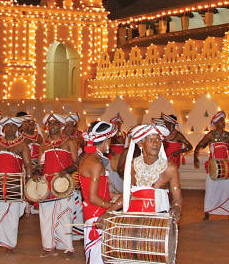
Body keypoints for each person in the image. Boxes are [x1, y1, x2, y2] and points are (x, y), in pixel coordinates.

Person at [0, 117, 31, 254]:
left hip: (14, 184)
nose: (10, 128)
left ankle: (9, 244)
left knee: (12, 215)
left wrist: (28, 184)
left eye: (13, 126)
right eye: (7, 125)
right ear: (3, 128)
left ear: (17, 129)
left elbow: (27, 165)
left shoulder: (23, 145)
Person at [78, 121, 122, 264]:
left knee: (103, 254)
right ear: (106, 140)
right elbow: (93, 197)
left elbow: (99, 191)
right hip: (97, 214)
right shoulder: (95, 163)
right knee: (99, 256)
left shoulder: (89, 158)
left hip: (95, 212)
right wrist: (112, 206)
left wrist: (113, 198)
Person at [35, 112, 78, 256]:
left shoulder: (70, 142)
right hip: (47, 185)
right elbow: (40, 166)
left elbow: (77, 164)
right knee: (46, 216)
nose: (52, 126)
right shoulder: (43, 146)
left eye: (55, 123)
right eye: (49, 124)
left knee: (65, 215)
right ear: (46, 127)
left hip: (63, 185)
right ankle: (48, 247)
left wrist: (65, 171)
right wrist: (36, 173)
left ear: (61, 126)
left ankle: (67, 247)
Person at [121, 122, 183, 220]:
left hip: (158, 221)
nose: (155, 144)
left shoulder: (169, 168)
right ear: (140, 143)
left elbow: (177, 199)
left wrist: (176, 208)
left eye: (158, 140)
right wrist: (109, 211)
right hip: (134, 217)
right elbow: (127, 194)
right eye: (150, 140)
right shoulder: (134, 165)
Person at [194, 111, 229, 219]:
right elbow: (198, 146)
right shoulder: (210, 135)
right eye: (221, 121)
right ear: (215, 123)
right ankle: (207, 213)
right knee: (211, 189)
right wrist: (195, 158)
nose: (223, 123)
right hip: (213, 167)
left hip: (225, 167)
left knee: (227, 188)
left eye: (224, 121)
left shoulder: (228, 136)